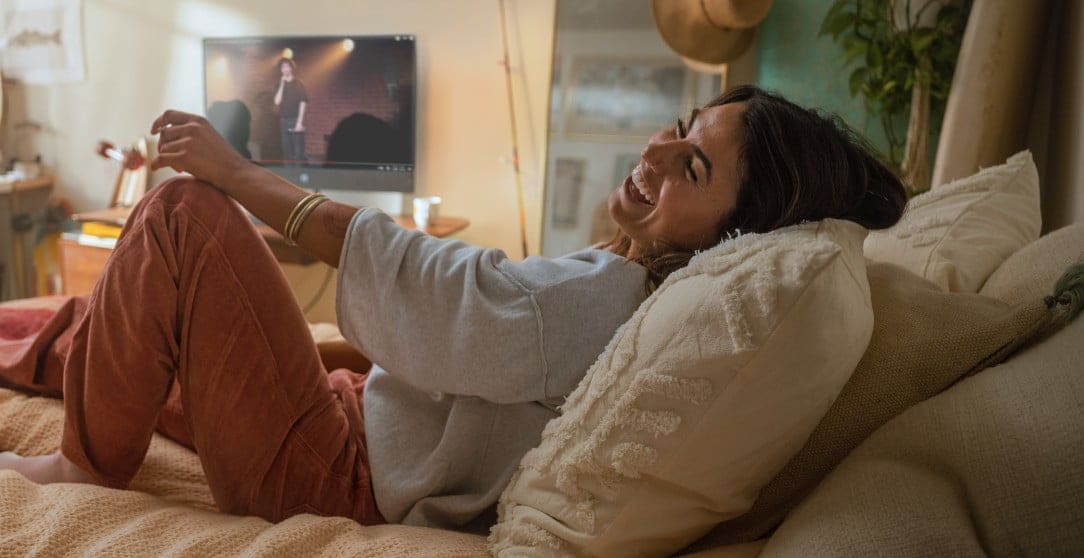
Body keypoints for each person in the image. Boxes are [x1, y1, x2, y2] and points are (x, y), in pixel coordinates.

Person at [0, 86, 906, 531]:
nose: (658, 157)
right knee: (102, 324)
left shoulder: (614, 300)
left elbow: (442, 294)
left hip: (328, 468)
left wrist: (239, 176)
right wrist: (342, 364)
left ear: (736, 229)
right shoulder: (625, 282)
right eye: (679, 128)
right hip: (350, 424)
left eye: (695, 169)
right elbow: (466, 371)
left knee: (181, 220)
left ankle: (84, 466)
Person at [274, 57, 308, 164]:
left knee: (298, 152)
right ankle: (288, 177)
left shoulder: (298, 83)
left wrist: (299, 122)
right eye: (282, 67)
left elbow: (303, 102)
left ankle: (299, 177)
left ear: (291, 68)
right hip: (284, 121)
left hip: (295, 120)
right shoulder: (278, 85)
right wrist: (282, 85)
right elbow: (277, 102)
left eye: (287, 67)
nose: (285, 69)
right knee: (287, 152)